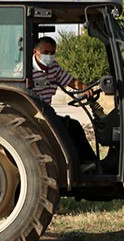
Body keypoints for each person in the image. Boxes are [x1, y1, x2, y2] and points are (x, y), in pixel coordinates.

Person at [31, 36, 98, 171]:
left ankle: (90, 163)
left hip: (47, 112)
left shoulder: (54, 67)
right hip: (34, 114)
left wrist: (85, 89)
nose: (49, 56)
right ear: (35, 52)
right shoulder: (26, 70)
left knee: (73, 125)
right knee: (68, 129)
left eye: (52, 53)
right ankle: (79, 165)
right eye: (45, 52)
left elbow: (70, 81)